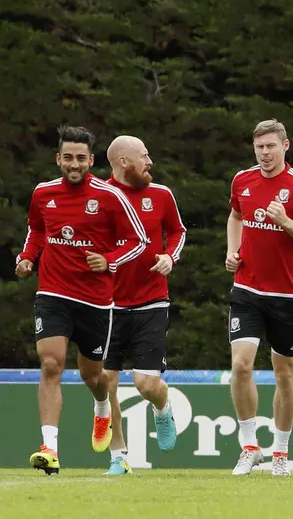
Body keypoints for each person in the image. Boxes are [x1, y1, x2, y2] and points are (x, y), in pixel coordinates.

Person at [19, 126, 149, 475]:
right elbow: (38, 229)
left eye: (81, 158)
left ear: (91, 160)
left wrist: (109, 260)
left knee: (93, 376)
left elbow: (137, 241)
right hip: (52, 294)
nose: (74, 164)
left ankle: (103, 408)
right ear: (58, 159)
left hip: (95, 300)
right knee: (51, 364)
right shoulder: (43, 193)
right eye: (68, 158)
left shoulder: (110, 196)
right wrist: (28, 257)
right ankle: (50, 448)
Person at [226, 119, 293, 477]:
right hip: (247, 288)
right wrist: (232, 250)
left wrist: (285, 223)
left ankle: (280, 452)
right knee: (241, 365)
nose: (264, 153)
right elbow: (235, 217)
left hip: (287, 294)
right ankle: (250, 445)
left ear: (285, 146)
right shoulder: (242, 180)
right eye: (259, 147)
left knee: (284, 376)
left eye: (271, 146)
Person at [101, 136, 186, 475]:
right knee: (105, 383)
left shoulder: (161, 195)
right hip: (106, 304)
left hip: (151, 301)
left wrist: (169, 256)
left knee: (145, 385)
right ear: (123, 161)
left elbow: (178, 232)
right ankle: (118, 456)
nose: (150, 162)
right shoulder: (99, 197)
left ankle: (163, 409)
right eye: (144, 156)